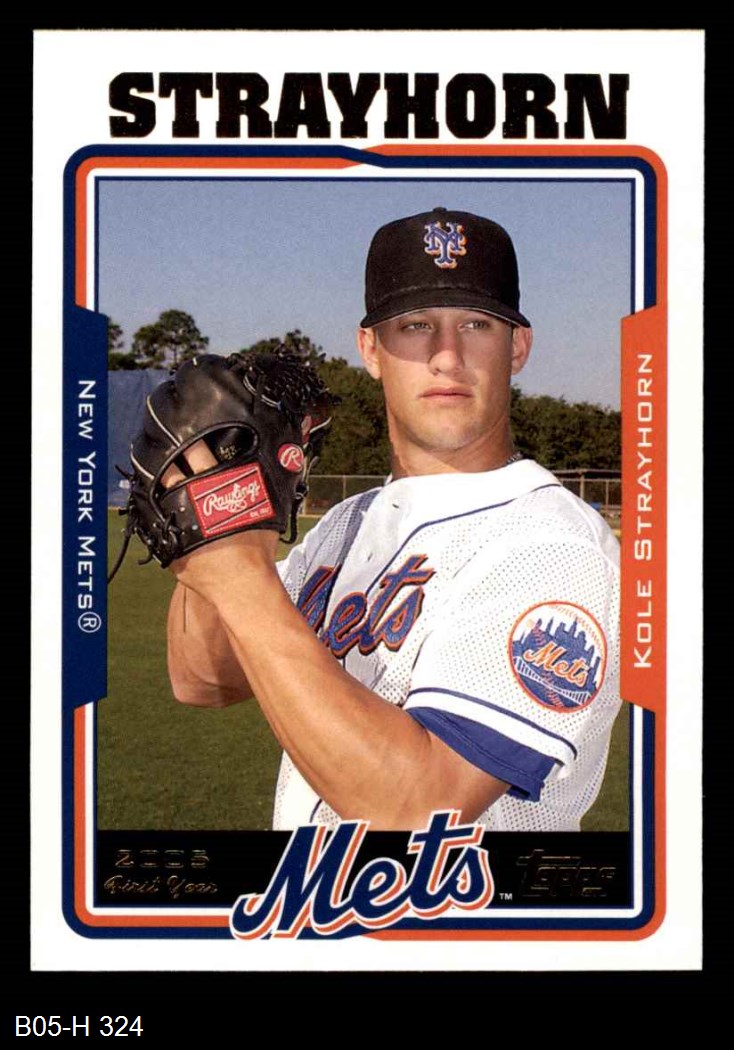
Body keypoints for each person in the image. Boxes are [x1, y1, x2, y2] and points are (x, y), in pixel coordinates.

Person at [166, 206, 621, 832]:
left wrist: (238, 573)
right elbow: (206, 680)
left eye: (476, 324)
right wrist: (217, 522)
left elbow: (422, 806)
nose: (446, 356)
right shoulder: (346, 524)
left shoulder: (552, 543)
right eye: (415, 325)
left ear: (517, 347)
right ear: (370, 349)